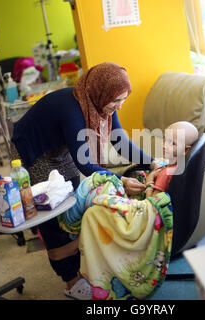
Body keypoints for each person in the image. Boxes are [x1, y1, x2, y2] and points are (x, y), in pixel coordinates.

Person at [10, 62, 154, 299]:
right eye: (116, 101)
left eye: (123, 100)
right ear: (102, 92)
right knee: (54, 212)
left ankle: (82, 265)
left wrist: (152, 163)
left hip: (60, 147)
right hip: (33, 149)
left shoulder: (99, 100)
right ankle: (71, 281)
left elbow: (121, 143)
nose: (119, 106)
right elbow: (86, 165)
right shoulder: (72, 110)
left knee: (75, 207)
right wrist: (123, 181)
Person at [144, 121, 199, 198]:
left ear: (185, 150)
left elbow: (152, 204)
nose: (164, 146)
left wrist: (150, 180)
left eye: (172, 143)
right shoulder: (178, 166)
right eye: (164, 140)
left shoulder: (165, 173)